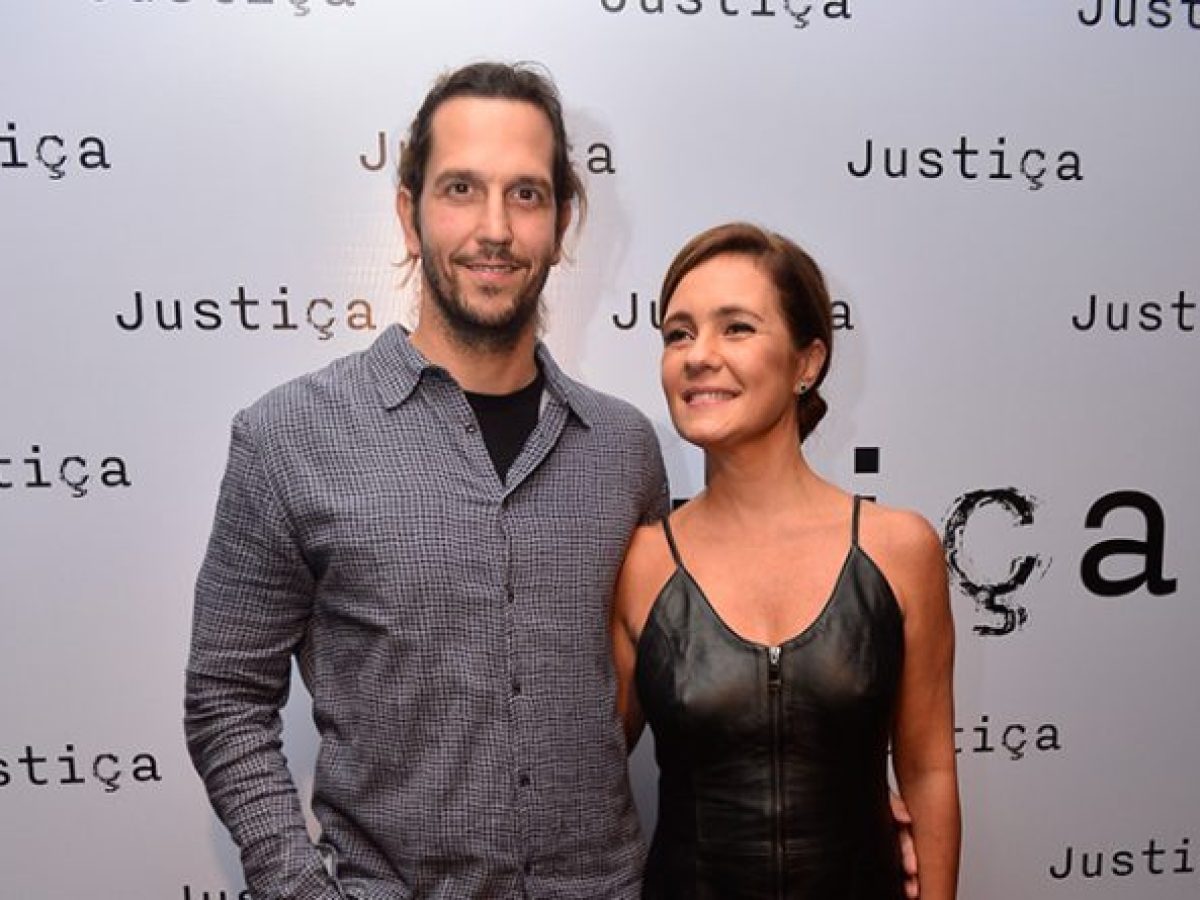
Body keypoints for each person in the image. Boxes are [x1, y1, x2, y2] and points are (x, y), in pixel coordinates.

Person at [184, 62, 669, 899]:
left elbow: (664, 684)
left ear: (561, 223)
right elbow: (225, 696)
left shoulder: (625, 449)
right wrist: (298, 888)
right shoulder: (287, 437)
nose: (495, 228)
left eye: (526, 194)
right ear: (409, 215)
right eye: (461, 189)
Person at [611, 223, 960, 899]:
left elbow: (929, 771)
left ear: (808, 362)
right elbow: (586, 771)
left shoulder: (900, 550)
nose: (698, 356)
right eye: (678, 334)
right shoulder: (642, 563)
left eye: (736, 328)